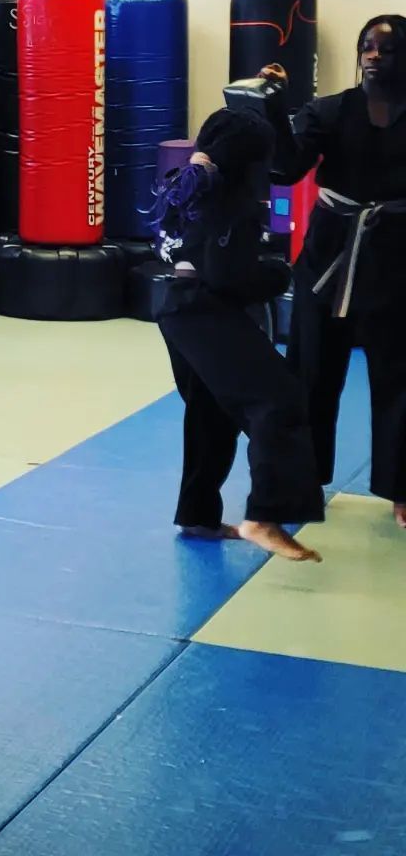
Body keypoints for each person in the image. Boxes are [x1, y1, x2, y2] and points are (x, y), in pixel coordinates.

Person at [154, 109, 323, 562]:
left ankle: (198, 515)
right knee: (280, 399)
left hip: (176, 306)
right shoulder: (234, 202)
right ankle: (264, 517)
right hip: (204, 312)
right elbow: (228, 275)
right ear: (249, 161)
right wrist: (276, 274)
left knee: (211, 414)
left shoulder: (190, 183)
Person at [264, 14, 406, 525]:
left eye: (386, 50)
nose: (372, 56)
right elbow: (284, 169)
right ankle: (303, 479)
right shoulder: (329, 110)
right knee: (312, 370)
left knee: (400, 377)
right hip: (329, 254)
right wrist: (275, 109)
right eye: (366, 46)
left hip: (396, 256)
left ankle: (401, 489)